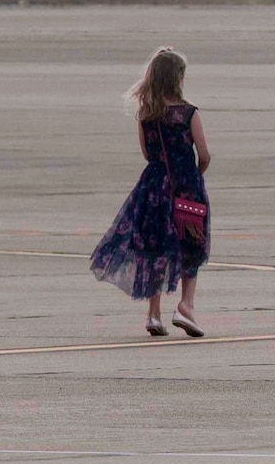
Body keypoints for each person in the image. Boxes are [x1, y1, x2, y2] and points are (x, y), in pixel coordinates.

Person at [90, 45, 211, 336]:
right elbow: (204, 154)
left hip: (153, 187)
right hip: (186, 187)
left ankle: (153, 314)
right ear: (177, 79)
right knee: (191, 245)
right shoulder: (188, 113)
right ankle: (186, 306)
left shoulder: (146, 114)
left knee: (156, 247)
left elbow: (147, 153)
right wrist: (193, 175)